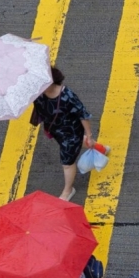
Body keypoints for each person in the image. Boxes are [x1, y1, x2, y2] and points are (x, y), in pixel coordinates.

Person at [31, 68, 95, 201]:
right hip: (56, 131)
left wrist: (89, 135)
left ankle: (68, 190)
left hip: (71, 134)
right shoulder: (39, 94)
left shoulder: (68, 96)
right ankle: (100, 148)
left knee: (67, 162)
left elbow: (83, 115)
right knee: (79, 143)